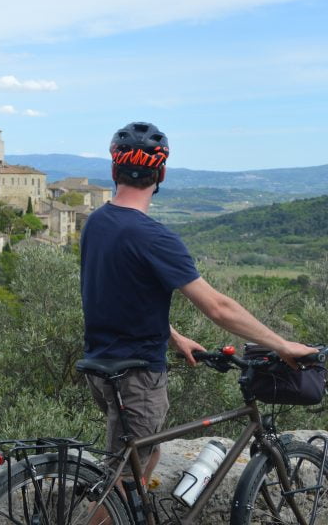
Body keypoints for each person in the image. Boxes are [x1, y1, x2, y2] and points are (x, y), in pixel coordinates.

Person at [79, 121, 314, 486]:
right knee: (122, 487)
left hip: (101, 367)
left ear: (114, 170)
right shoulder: (154, 237)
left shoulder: (97, 223)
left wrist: (172, 335)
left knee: (147, 453)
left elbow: (119, 294)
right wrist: (283, 345)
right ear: (162, 173)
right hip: (137, 377)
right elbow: (218, 307)